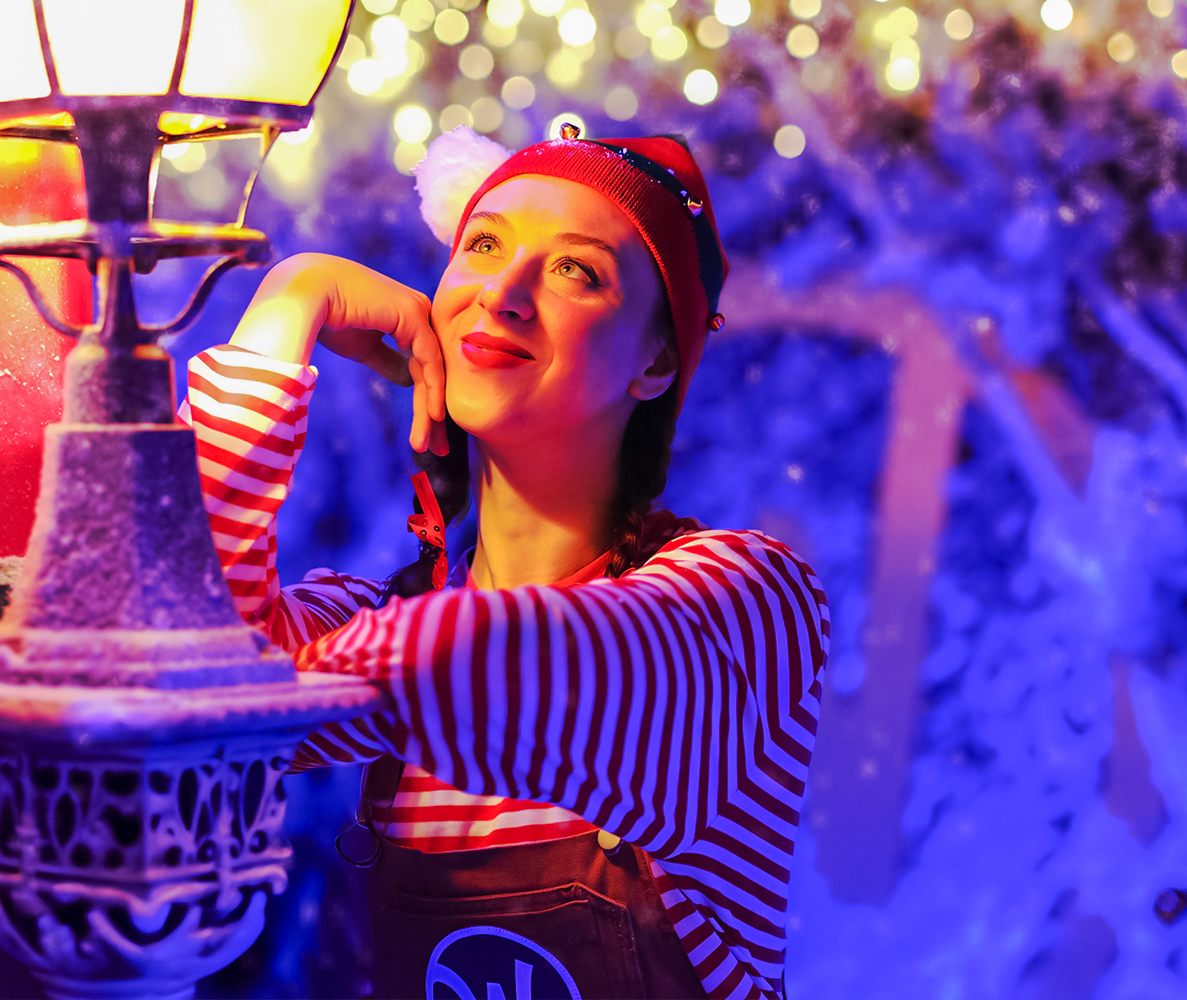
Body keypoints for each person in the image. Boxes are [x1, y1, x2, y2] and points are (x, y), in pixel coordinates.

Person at [179, 125, 828, 1000]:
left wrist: (265, 688)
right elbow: (179, 652)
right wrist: (291, 301)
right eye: (482, 245)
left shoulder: (746, 603)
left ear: (657, 359)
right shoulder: (380, 624)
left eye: (577, 271)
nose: (504, 292)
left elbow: (511, 662)